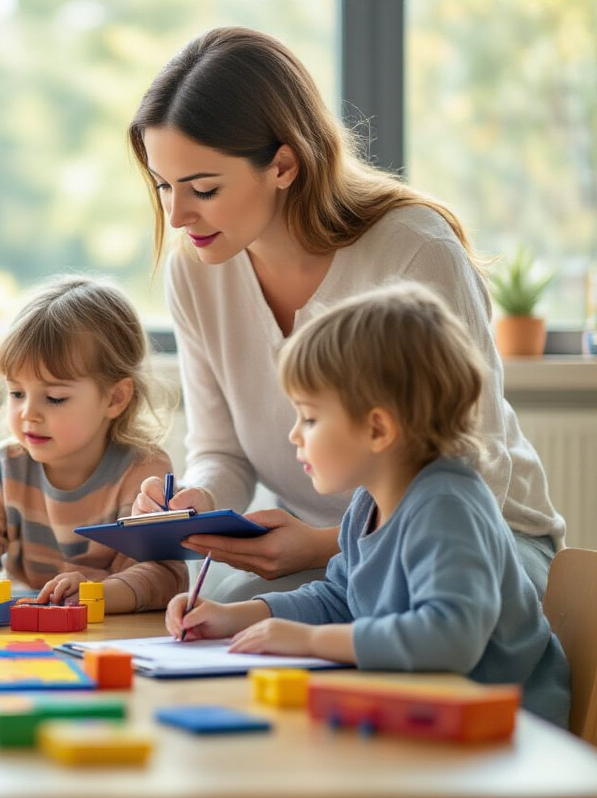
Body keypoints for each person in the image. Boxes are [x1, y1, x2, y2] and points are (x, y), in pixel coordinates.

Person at [127, 26, 564, 601]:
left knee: (362, 626)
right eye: (163, 186)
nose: (178, 215)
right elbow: (222, 452)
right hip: (330, 554)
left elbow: (473, 465)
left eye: (203, 189)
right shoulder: (198, 272)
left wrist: (326, 543)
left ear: (283, 165)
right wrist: (196, 500)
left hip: (471, 542)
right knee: (216, 623)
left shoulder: (414, 251)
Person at [166, 285, 570, 728]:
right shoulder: (367, 504)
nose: (295, 435)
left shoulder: (448, 507)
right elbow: (340, 597)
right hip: (429, 712)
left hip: (510, 732)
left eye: (311, 417)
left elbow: (451, 639)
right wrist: (232, 617)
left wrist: (312, 641)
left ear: (378, 429)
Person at [0, 275, 184, 613]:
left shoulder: (143, 471)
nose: (28, 413)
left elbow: (165, 576)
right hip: (28, 626)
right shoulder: (7, 466)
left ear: (116, 398)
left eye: (54, 398)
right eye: (17, 393)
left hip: (116, 633)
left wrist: (99, 594)